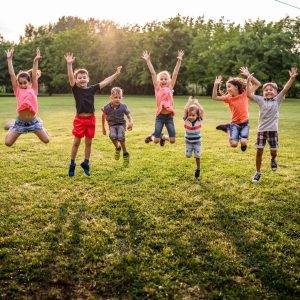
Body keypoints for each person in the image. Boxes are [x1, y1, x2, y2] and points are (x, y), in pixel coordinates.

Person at [65, 52, 122, 176]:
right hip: (80, 120)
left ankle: (86, 163)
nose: (82, 79)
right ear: (76, 80)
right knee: (76, 142)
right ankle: (72, 163)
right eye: (79, 77)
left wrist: (116, 74)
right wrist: (69, 65)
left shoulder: (92, 89)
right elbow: (70, 77)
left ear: (88, 79)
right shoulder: (76, 89)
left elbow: (105, 82)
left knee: (89, 143)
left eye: (84, 77)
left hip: (91, 120)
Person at [247, 67, 298, 183]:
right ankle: (258, 172)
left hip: (273, 131)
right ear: (263, 92)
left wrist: (292, 78)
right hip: (261, 131)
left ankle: (273, 159)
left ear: (276, 92)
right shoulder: (260, 100)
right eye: (266, 90)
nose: (269, 91)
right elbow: (248, 94)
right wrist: (249, 80)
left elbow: (285, 88)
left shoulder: (277, 100)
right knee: (259, 151)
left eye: (271, 90)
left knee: (273, 151)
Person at [5, 48, 49, 146]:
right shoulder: (18, 90)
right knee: (8, 143)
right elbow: (12, 75)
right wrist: (9, 60)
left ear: (29, 82)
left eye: (25, 83)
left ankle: (41, 126)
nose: (22, 85)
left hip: (33, 122)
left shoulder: (34, 89)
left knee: (47, 140)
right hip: (20, 123)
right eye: (20, 83)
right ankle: (12, 125)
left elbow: (34, 75)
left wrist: (35, 60)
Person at [212, 67, 261, 151]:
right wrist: (216, 85)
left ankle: (237, 136)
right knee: (234, 145)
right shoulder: (228, 98)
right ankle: (228, 129)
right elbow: (214, 97)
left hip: (245, 123)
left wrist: (249, 75)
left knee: (243, 142)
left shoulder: (245, 94)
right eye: (227, 87)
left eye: (229, 86)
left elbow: (258, 84)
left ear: (236, 87)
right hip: (234, 124)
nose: (227, 89)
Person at [142, 50, 184, 145]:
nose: (163, 80)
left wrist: (179, 60)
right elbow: (153, 73)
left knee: (172, 140)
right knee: (156, 141)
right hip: (160, 117)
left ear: (168, 80)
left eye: (165, 79)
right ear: (158, 80)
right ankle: (153, 137)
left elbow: (175, 73)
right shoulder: (157, 88)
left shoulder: (170, 87)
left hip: (169, 117)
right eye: (161, 79)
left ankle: (163, 137)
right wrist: (148, 61)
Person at [102, 87, 133, 160]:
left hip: (121, 124)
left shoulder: (123, 106)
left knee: (120, 136)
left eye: (119, 97)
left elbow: (129, 116)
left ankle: (125, 152)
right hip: (112, 125)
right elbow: (103, 116)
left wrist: (131, 122)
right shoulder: (106, 107)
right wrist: (103, 128)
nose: (117, 99)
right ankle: (118, 147)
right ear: (111, 98)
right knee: (112, 136)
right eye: (115, 97)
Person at [183, 96, 204, 178]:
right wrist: (189, 102)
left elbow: (201, 110)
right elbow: (185, 110)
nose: (191, 116)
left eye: (193, 115)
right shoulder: (186, 120)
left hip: (197, 142)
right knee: (188, 156)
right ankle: (189, 153)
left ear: (197, 116)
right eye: (189, 115)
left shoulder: (199, 120)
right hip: (188, 141)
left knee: (197, 156)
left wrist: (196, 103)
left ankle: (198, 169)